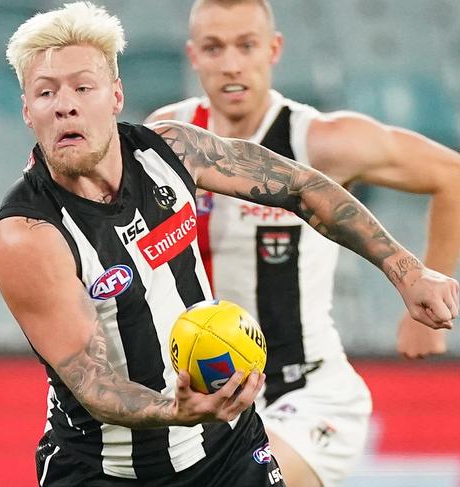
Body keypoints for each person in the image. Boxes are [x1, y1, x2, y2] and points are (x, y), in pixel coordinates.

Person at [0, 2, 458, 486]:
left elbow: (300, 187)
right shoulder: (28, 234)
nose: (64, 103)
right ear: (28, 110)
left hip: (232, 438)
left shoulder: (171, 149)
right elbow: (94, 384)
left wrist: (408, 272)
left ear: (115, 95)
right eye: (46, 92)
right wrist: (179, 407)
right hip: (105, 468)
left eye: (82, 87)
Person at [146, 0, 460, 486]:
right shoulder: (166, 137)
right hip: (210, 394)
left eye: (246, 45)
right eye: (214, 47)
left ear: (273, 49)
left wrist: (426, 312)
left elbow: (451, 175)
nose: (231, 63)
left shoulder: (322, 141)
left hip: (308, 390)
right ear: (193, 55)